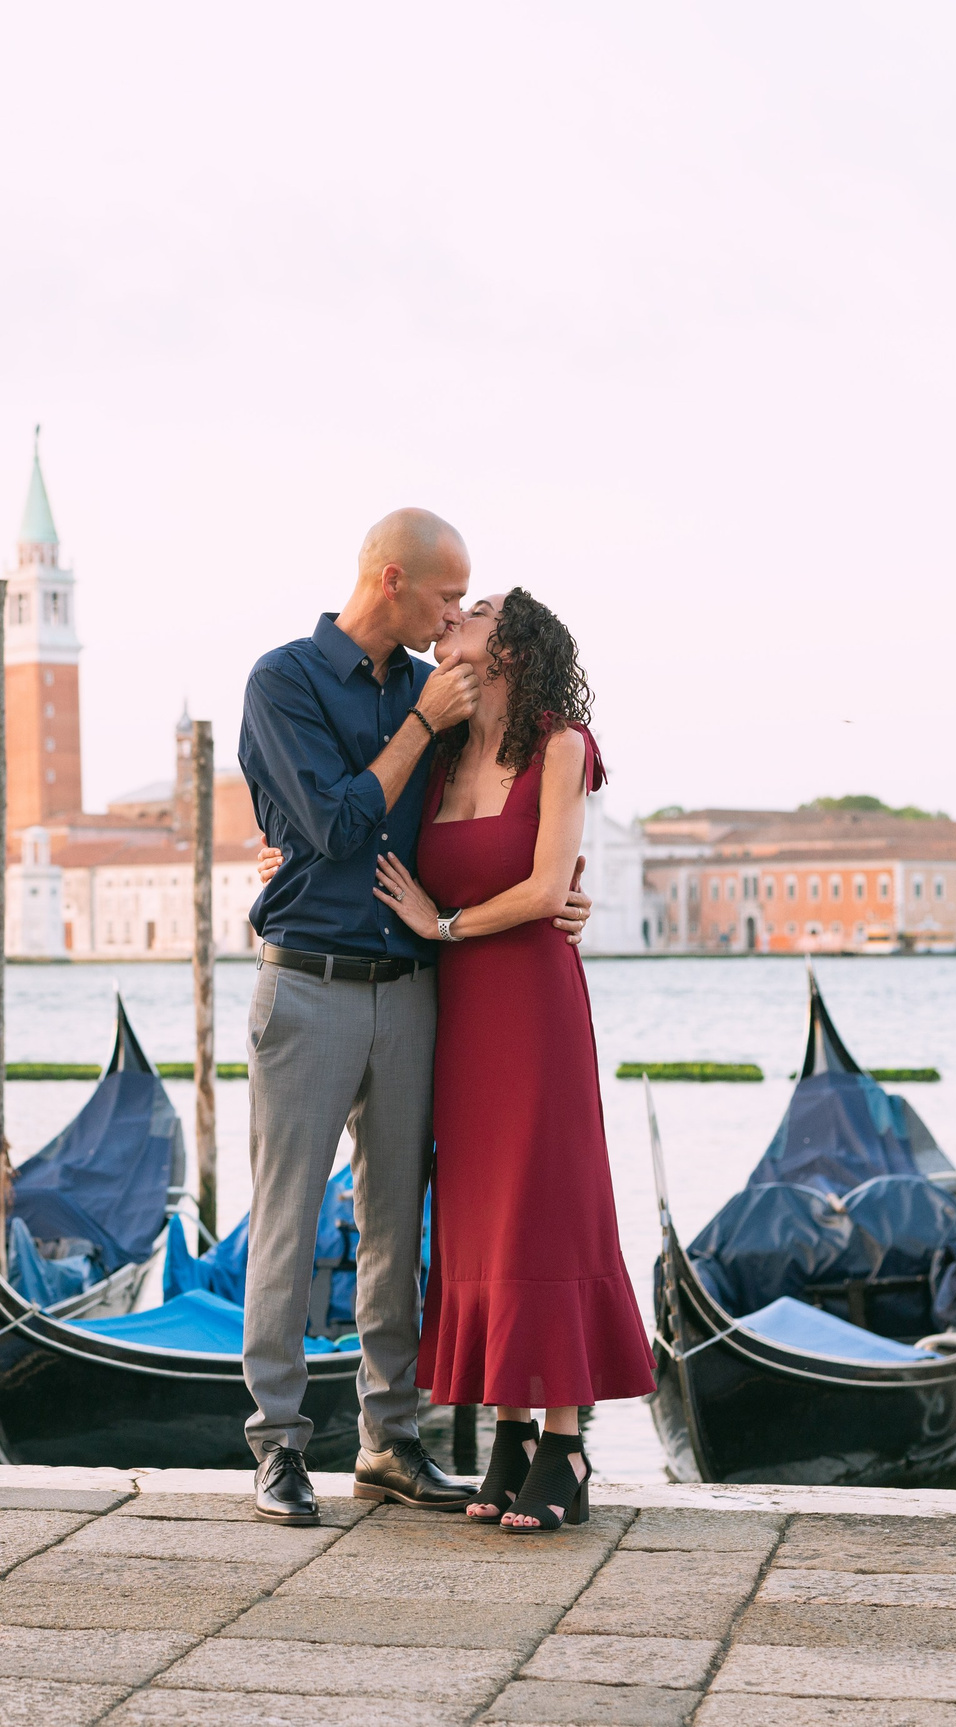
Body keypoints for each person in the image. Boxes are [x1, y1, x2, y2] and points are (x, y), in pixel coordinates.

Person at [232, 510, 591, 1526]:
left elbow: (500, 811)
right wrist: (417, 730)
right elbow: (336, 824)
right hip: (305, 982)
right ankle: (277, 1447)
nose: (453, 617)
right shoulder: (285, 680)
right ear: (391, 578)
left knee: (395, 1224)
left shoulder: (432, 692)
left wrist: (564, 887)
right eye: (447, 595)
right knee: (288, 1220)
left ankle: (388, 1441)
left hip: (414, 989)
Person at [374, 587, 655, 1531]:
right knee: (480, 1216)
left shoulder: (562, 745)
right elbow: (356, 810)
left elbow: (545, 889)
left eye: (478, 609)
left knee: (544, 1207)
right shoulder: (442, 749)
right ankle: (510, 1434)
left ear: (513, 644)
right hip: (459, 1023)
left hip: (533, 1009)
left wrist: (443, 921)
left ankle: (568, 1441)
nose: (456, 614)